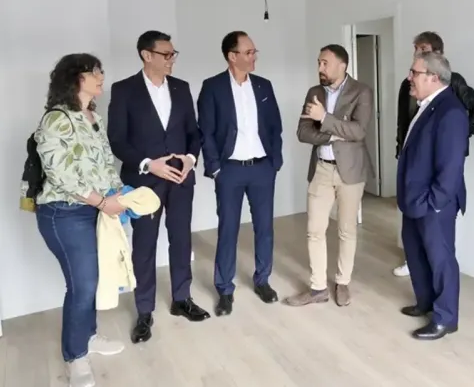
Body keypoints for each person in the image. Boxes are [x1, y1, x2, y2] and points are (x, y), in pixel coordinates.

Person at [107, 30, 210, 344]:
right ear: (146, 55)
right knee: (144, 246)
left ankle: (182, 299)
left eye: (173, 54)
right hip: (144, 183)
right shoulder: (124, 90)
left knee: (181, 239)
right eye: (166, 54)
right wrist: (148, 164)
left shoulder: (181, 88)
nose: (171, 59)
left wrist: (191, 159)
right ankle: (144, 311)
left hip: (180, 178)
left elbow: (193, 132)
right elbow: (117, 140)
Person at [34, 53, 125, 387]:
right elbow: (61, 175)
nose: (101, 76)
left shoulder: (92, 116)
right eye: (94, 71)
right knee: (82, 285)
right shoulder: (56, 119)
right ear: (75, 78)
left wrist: (119, 195)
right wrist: (102, 201)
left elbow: (105, 164)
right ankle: (75, 357)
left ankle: (89, 336)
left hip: (96, 211)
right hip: (64, 214)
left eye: (101, 70)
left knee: (94, 280)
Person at [197, 30, 283, 315]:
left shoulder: (263, 86)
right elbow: (206, 131)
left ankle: (263, 280)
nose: (253, 56)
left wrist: (274, 162)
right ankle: (224, 289)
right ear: (232, 56)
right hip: (230, 170)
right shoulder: (213, 87)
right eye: (248, 52)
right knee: (228, 229)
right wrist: (215, 168)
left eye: (254, 51)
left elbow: (275, 126)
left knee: (265, 228)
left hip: (262, 169)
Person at [392, 31, 474, 277]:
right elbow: (403, 122)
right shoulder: (407, 85)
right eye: (416, 49)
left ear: (438, 54)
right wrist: (400, 149)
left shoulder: (452, 82)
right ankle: (416, 270)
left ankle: (442, 296)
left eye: (423, 49)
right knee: (414, 234)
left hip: (439, 165)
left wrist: (455, 138)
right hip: (412, 163)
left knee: (438, 241)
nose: (417, 53)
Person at [284, 44, 374, 307]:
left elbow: (359, 131)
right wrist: (333, 135)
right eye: (319, 63)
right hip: (321, 167)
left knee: (347, 230)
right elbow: (302, 132)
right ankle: (318, 288)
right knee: (314, 230)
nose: (320, 68)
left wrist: (324, 118)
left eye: (325, 63)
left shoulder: (362, 91)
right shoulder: (314, 92)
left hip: (351, 170)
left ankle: (342, 282)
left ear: (342, 66)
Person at [397, 51, 469, 340]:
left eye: (414, 72)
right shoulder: (427, 105)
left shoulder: (451, 111)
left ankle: (445, 318)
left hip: (432, 203)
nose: (409, 77)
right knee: (416, 253)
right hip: (414, 199)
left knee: (441, 260)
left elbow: (450, 167)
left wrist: (434, 203)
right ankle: (426, 302)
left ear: (433, 77)